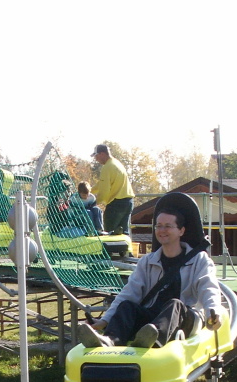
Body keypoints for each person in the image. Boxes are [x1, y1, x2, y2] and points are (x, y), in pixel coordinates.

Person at [78, 192, 223, 349]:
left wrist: (213, 313)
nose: (162, 230)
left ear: (181, 231)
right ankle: (111, 339)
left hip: (185, 318)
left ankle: (154, 340)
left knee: (174, 304)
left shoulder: (199, 260)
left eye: (168, 226)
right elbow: (129, 292)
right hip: (152, 320)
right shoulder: (147, 261)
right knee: (127, 305)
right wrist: (104, 320)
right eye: (158, 226)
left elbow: (208, 288)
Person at [90, 144, 135, 236]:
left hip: (116, 204)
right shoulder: (116, 163)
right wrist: (89, 191)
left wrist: (94, 203)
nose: (96, 159)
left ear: (102, 154)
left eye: (96, 156)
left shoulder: (107, 167)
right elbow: (101, 184)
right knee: (123, 233)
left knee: (109, 233)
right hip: (128, 202)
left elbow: (104, 190)